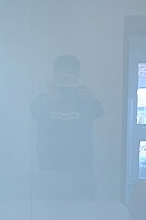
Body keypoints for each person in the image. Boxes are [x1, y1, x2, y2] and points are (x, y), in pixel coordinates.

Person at [30, 55, 103, 200]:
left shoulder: (85, 99)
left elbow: (99, 112)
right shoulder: (42, 99)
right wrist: (48, 101)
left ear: (77, 75)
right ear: (55, 74)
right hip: (50, 166)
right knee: (49, 208)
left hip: (81, 167)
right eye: (62, 72)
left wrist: (92, 100)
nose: (66, 76)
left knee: (84, 207)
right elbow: (35, 112)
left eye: (71, 72)